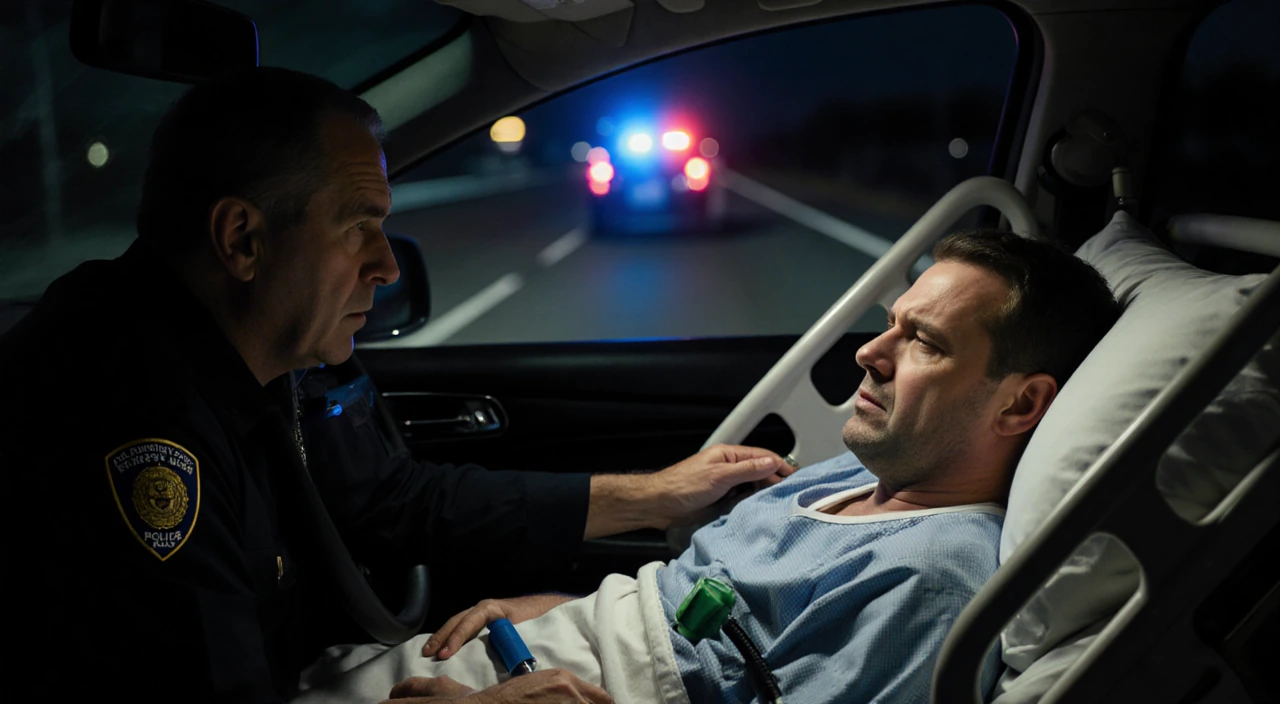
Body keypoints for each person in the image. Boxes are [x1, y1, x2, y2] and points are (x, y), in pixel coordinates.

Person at [0, 67, 794, 703]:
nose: (385, 267)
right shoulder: (132, 412)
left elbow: (392, 501)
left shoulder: (261, 354)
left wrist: (651, 494)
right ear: (243, 239)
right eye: (359, 227)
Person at [286, 230, 1121, 704]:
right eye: (891, 324)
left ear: (1020, 405)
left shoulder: (936, 574)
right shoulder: (851, 478)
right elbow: (700, 615)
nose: (870, 353)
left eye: (925, 343)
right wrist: (564, 610)